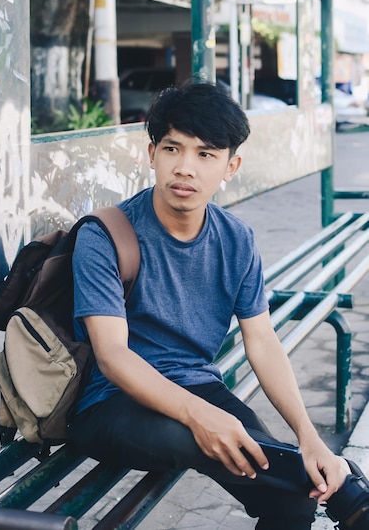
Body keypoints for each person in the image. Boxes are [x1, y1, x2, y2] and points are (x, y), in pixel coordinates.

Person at [69, 81, 369, 529]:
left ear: (231, 166)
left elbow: (263, 342)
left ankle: (338, 482)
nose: (185, 168)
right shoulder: (104, 235)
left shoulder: (237, 239)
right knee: (219, 444)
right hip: (113, 404)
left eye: (205, 154)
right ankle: (352, 496)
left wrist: (309, 437)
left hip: (199, 388)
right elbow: (113, 357)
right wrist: (202, 415)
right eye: (173, 149)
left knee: (291, 503)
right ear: (151, 155)